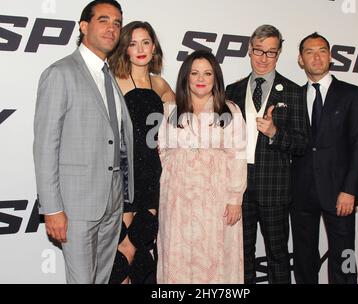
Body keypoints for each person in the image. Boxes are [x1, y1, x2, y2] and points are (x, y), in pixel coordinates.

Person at [33, 0, 135, 284]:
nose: (112, 28)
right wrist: (52, 209)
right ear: (84, 26)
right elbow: (45, 147)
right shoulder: (60, 73)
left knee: (101, 279)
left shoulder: (109, 76)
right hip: (76, 204)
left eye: (117, 23)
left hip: (111, 201)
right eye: (104, 20)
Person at [226, 24, 308, 284]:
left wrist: (274, 132)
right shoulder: (232, 91)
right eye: (259, 51)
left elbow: (302, 144)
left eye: (270, 53)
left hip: (275, 188)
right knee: (242, 254)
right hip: (239, 187)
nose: (263, 58)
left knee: (277, 255)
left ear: (279, 53)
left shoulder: (294, 91)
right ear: (249, 50)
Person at [157, 50, 247, 283]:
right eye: (195, 73)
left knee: (214, 254)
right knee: (177, 254)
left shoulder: (229, 111)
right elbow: (163, 151)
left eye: (207, 73)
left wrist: (235, 197)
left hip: (217, 199)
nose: (201, 79)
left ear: (215, 78)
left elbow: (238, 155)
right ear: (186, 77)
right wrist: (179, 172)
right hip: (178, 200)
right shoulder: (170, 111)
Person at [290, 32, 358, 284]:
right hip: (301, 191)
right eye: (309, 52)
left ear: (330, 56)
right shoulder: (293, 97)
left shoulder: (352, 94)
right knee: (304, 256)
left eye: (322, 50)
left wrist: (350, 190)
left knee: (344, 254)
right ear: (300, 59)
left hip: (339, 192)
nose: (316, 57)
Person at [107, 21, 175, 284]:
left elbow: (182, 121)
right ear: (124, 49)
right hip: (124, 175)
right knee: (122, 248)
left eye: (145, 42)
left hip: (152, 173)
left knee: (142, 245)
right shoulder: (113, 80)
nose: (140, 49)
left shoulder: (160, 84)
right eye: (133, 43)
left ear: (154, 46)